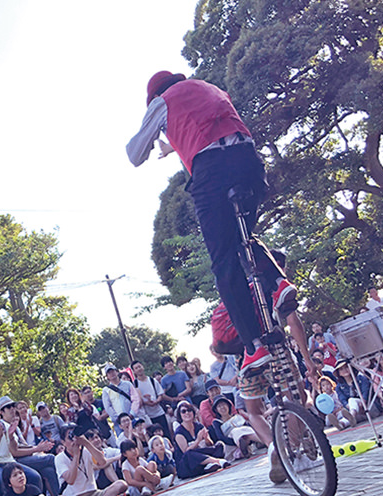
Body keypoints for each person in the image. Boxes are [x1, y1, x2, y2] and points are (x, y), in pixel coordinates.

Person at [128, 71, 299, 376]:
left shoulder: (162, 102)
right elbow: (209, 130)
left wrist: (154, 133)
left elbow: (135, 154)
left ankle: (252, 346)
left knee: (223, 262)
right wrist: (171, 146)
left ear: (154, 97)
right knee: (242, 239)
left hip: (213, 173)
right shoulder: (210, 89)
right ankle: (278, 283)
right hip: (249, 163)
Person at [0, 399, 45, 496]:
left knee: (34, 476)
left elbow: (14, 450)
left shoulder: (6, 426)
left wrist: (11, 436)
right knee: (2, 479)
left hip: (9, 461)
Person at [53, 426, 127, 496]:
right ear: (63, 442)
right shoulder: (59, 458)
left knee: (121, 484)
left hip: (94, 494)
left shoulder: (86, 450)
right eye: (70, 438)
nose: (74, 440)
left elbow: (103, 462)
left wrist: (86, 443)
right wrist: (76, 455)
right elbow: (70, 480)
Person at [172, 402, 227, 479]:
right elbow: (185, 451)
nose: (187, 413)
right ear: (180, 415)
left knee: (219, 445)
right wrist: (198, 440)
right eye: (183, 411)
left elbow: (210, 444)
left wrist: (206, 439)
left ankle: (208, 465)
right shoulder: (179, 432)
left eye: (189, 410)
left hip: (200, 455)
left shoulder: (198, 426)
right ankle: (217, 461)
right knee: (189, 454)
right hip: (188, 464)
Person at [130, 361, 170, 438]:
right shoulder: (134, 384)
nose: (139, 369)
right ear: (134, 371)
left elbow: (160, 394)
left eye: (139, 366)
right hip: (147, 416)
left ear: (143, 367)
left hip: (159, 412)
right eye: (136, 368)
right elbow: (137, 400)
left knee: (166, 434)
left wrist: (156, 401)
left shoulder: (152, 380)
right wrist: (146, 403)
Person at [100, 364, 137, 435]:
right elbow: (108, 406)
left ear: (117, 372)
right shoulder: (106, 390)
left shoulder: (128, 384)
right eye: (109, 373)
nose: (112, 374)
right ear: (107, 376)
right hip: (118, 423)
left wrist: (132, 413)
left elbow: (135, 399)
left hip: (132, 418)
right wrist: (117, 418)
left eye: (113, 371)